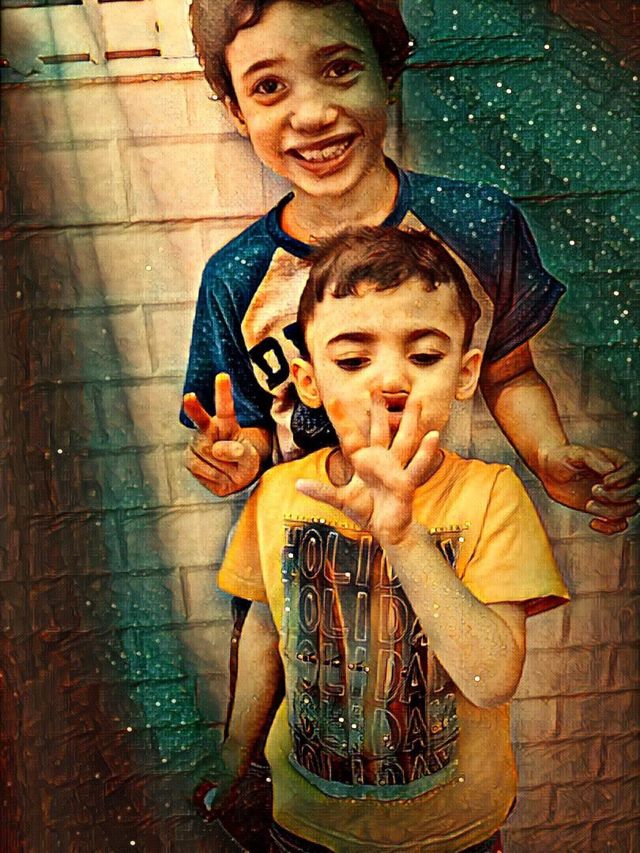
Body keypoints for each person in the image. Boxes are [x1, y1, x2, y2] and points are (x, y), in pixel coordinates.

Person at [182, 0, 639, 533]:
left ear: (387, 73)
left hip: (458, 541)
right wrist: (237, 456)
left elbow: (509, 371)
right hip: (316, 556)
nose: (312, 114)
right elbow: (251, 423)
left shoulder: (476, 223)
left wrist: (548, 453)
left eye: (339, 69)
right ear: (238, 112)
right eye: (268, 86)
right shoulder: (236, 276)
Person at [213, 226, 570, 852]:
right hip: (304, 825)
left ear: (465, 373)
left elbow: (491, 680)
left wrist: (401, 534)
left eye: (424, 356)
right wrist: (233, 753)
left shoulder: (491, 496)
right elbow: (268, 631)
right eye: (353, 360)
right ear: (308, 381)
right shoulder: (279, 494)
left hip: (453, 836)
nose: (390, 380)